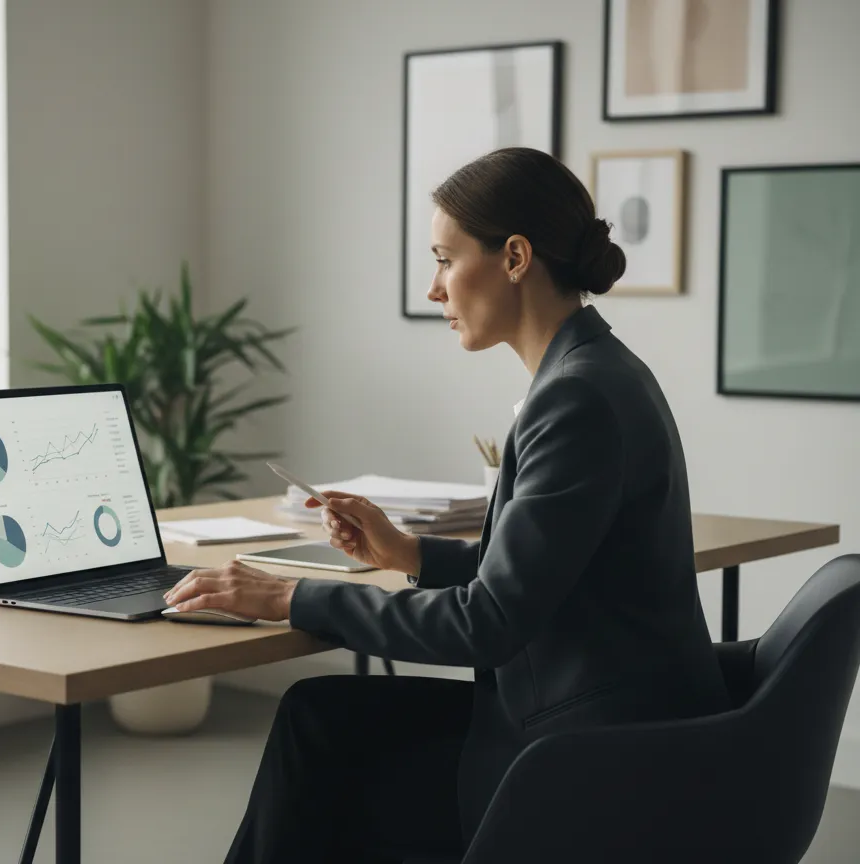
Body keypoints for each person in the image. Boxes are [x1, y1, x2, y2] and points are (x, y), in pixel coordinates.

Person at [163, 147, 730, 863]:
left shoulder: (576, 397)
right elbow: (534, 578)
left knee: (323, 751)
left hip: (588, 759)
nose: (434, 288)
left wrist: (287, 597)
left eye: (444, 259)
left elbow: (489, 623)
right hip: (597, 714)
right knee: (318, 715)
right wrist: (407, 554)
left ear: (515, 257)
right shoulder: (592, 371)